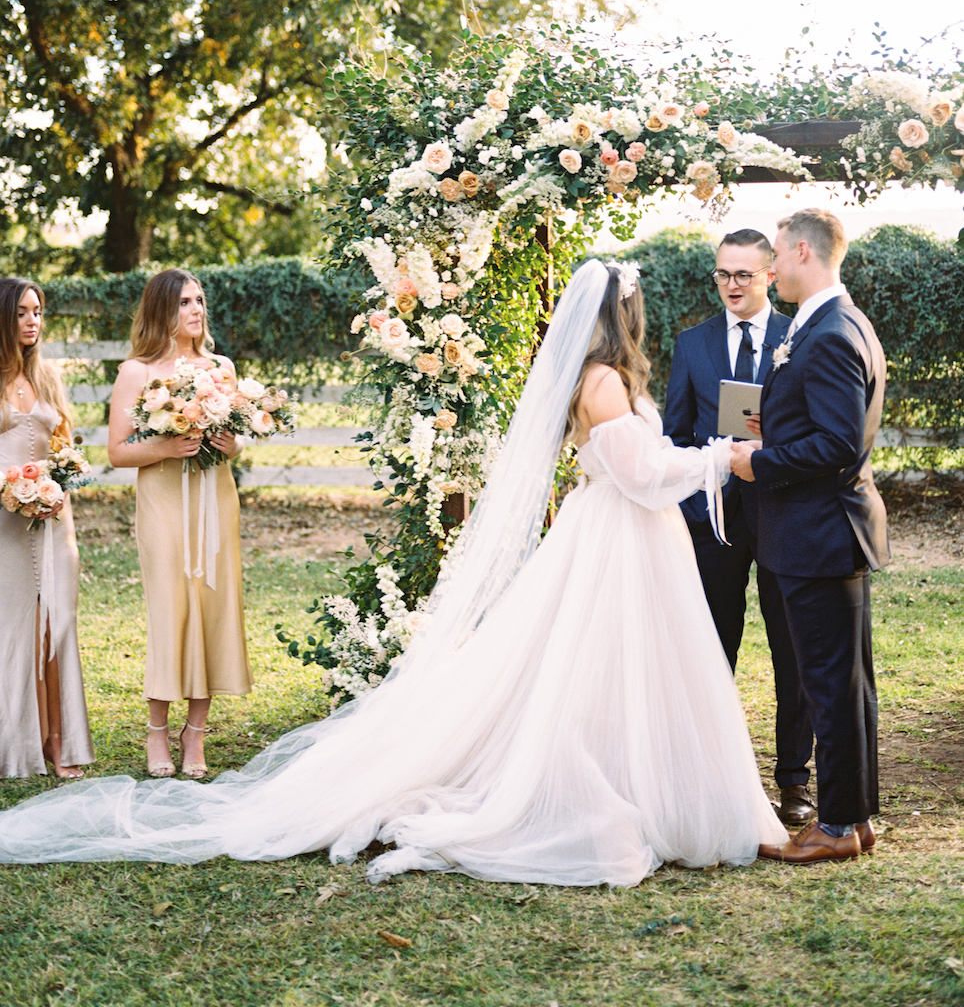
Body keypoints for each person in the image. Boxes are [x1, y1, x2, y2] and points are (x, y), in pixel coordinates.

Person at [0, 259, 787, 880]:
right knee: (587, 666)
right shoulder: (608, 381)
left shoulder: (601, 380)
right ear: (628, 317)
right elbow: (642, 477)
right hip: (618, 538)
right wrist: (725, 458)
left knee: (602, 668)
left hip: (621, 539)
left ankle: (638, 781)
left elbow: (640, 466)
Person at [731, 209, 889, 865]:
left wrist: (758, 462)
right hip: (830, 530)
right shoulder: (837, 321)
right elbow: (826, 428)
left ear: (802, 251)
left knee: (829, 683)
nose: (770, 269)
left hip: (818, 533)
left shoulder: (826, 332)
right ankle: (855, 820)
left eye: (776, 256)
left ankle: (835, 828)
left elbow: (839, 443)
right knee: (848, 683)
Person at [663, 229, 814, 826]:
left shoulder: (799, 338)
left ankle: (794, 783)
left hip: (782, 513)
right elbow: (676, 435)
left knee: (792, 653)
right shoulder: (692, 344)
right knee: (710, 650)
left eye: (744, 275)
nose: (731, 285)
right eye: (723, 274)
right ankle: (710, 778)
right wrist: (694, 508)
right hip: (713, 522)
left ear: (770, 276)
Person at [107, 269, 253, 780]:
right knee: (171, 609)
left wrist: (227, 439)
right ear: (162, 310)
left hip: (216, 497)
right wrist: (168, 445)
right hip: (163, 502)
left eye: (200, 300)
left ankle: (195, 736)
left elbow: (238, 441)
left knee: (210, 605)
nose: (196, 309)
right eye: (185, 302)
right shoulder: (136, 372)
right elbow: (118, 452)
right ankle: (155, 733)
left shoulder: (222, 368)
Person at [0, 277, 93, 780]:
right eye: (20, 312)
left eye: (37, 311)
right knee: (12, 626)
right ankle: (16, 740)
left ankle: (59, 741)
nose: (32, 320)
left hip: (54, 518)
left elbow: (64, 448)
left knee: (56, 622)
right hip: (3, 524)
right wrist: (10, 487)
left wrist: (57, 483)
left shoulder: (50, 378)